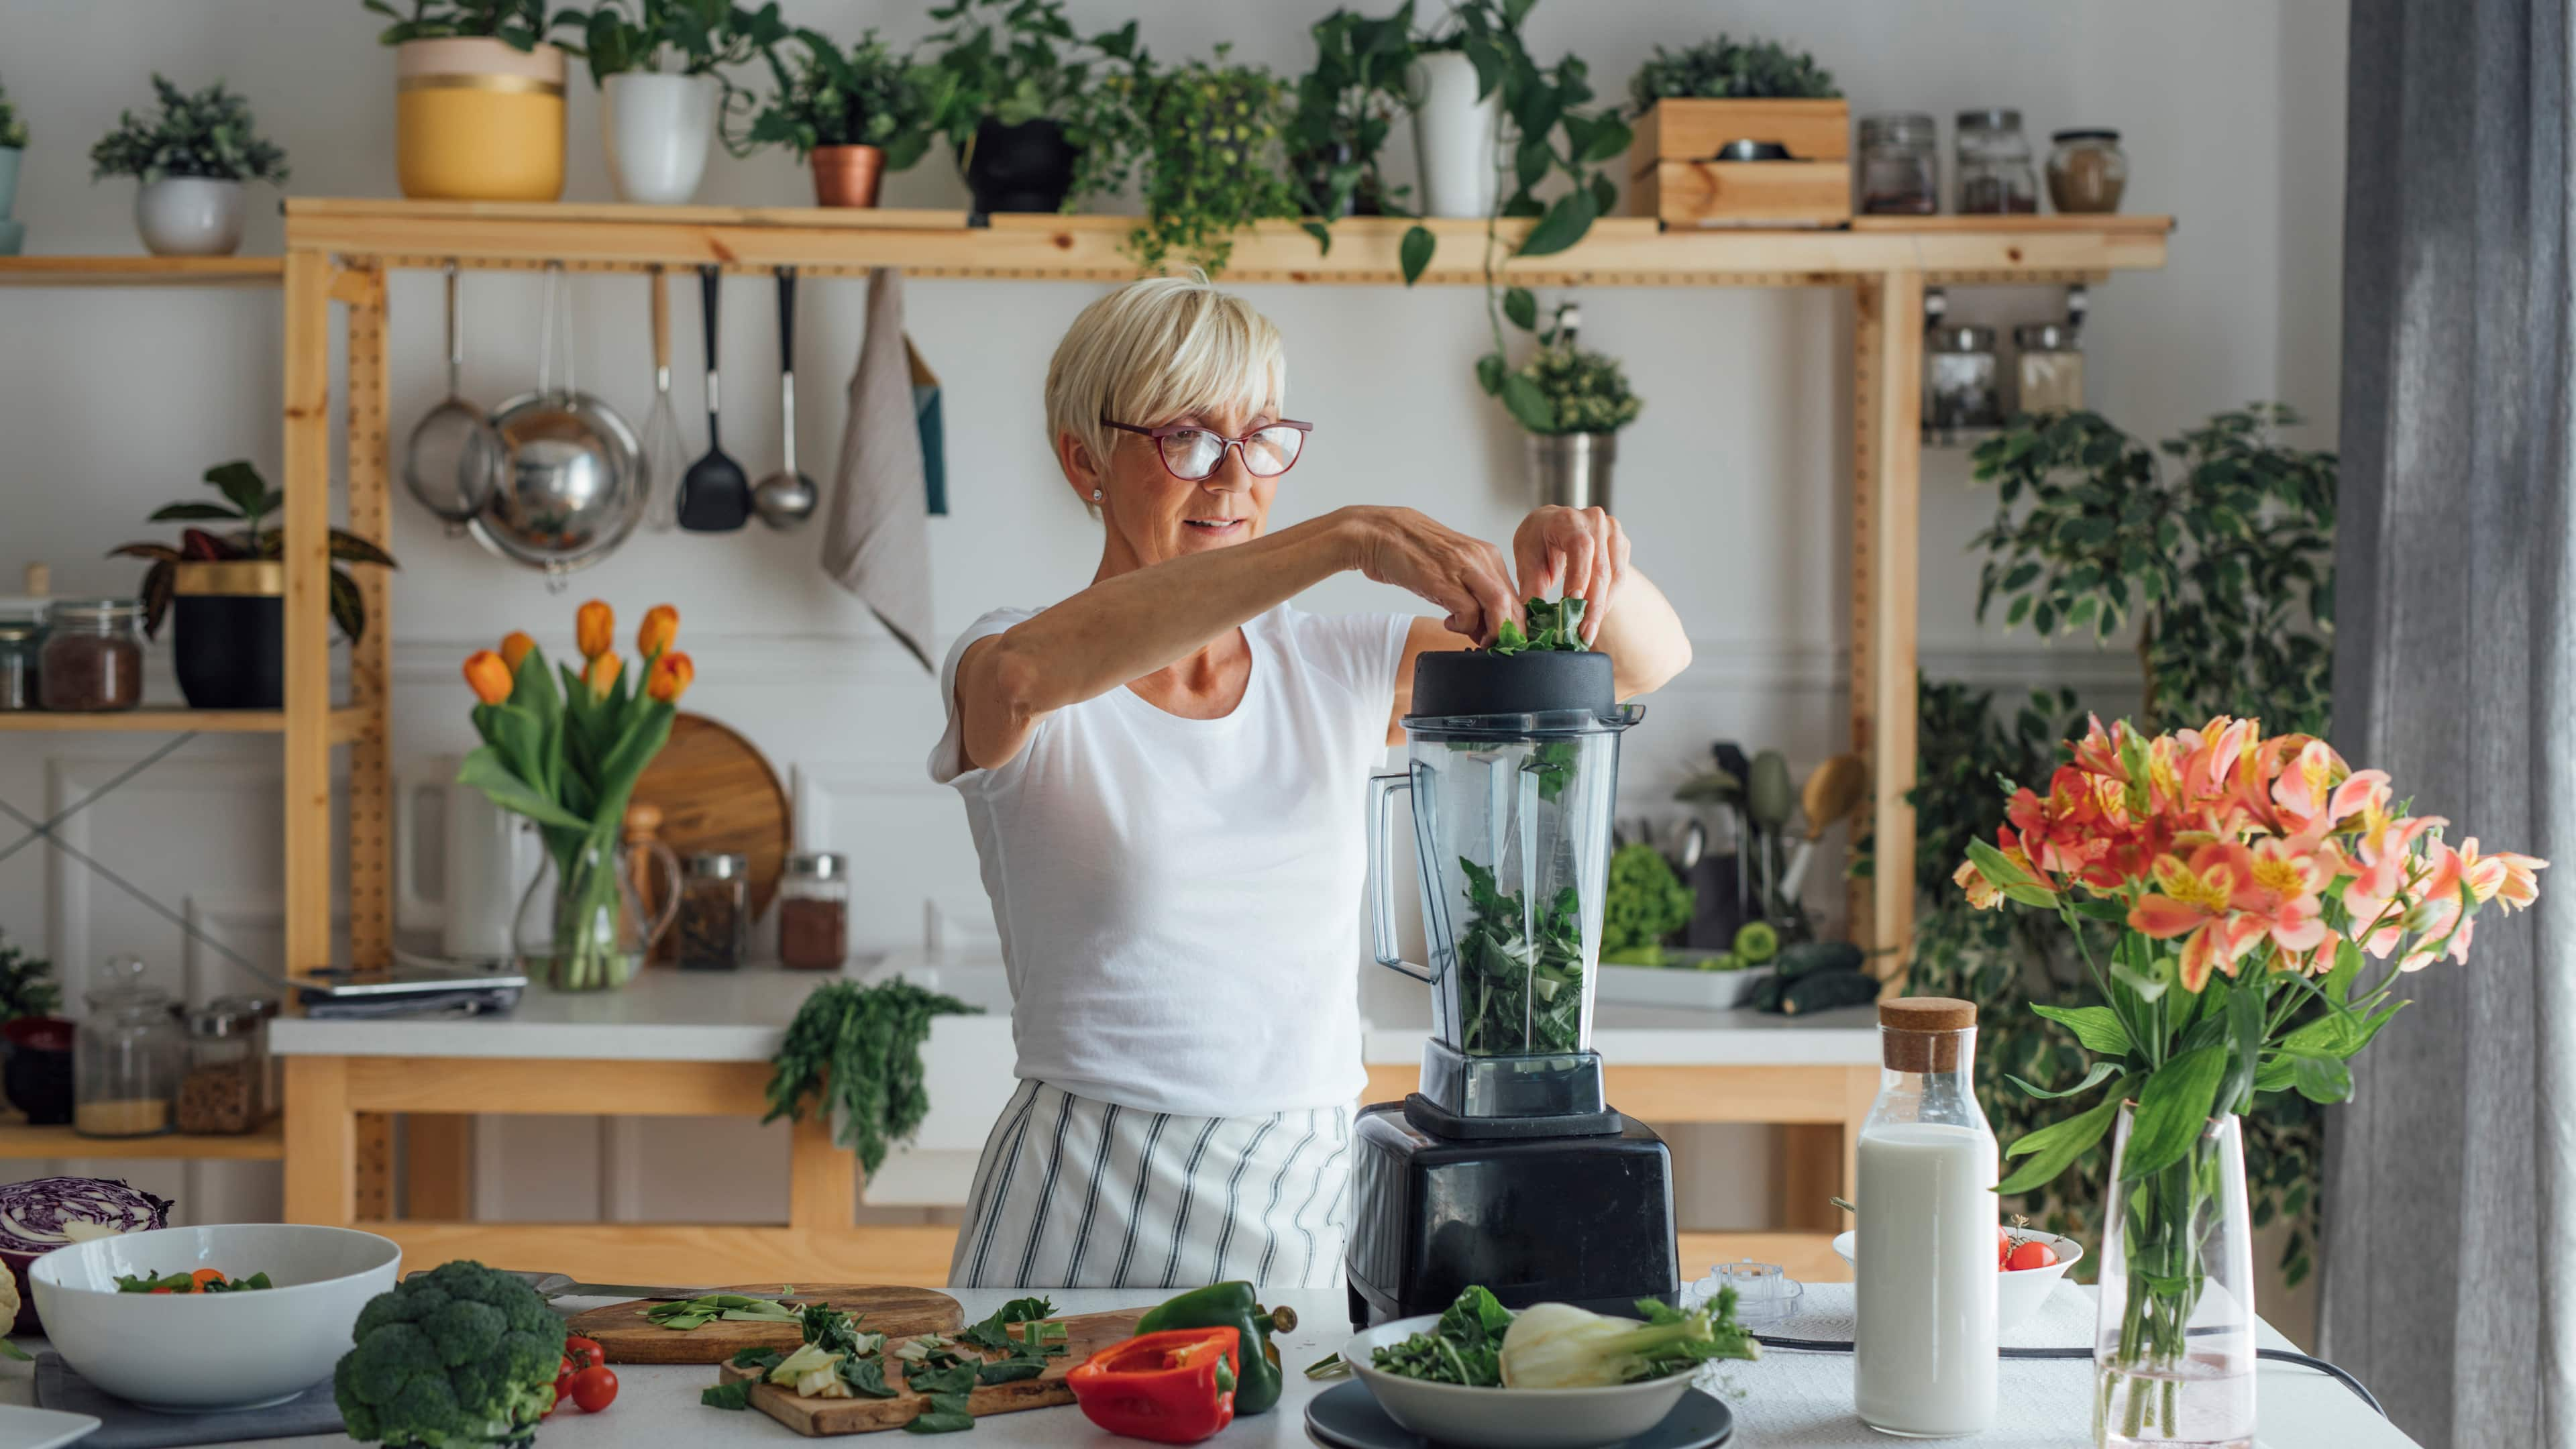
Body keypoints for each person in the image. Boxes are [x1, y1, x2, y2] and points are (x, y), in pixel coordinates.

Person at [931, 275, 1690, 1290]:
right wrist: (1344, 539)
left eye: (1262, 439)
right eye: (1187, 440)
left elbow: (1642, 663)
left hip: (1307, 1197)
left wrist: (1586, 558)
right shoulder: (1018, 662)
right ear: (1085, 462)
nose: (1234, 482)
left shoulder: (1341, 667)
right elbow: (1026, 677)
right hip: (1083, 1202)